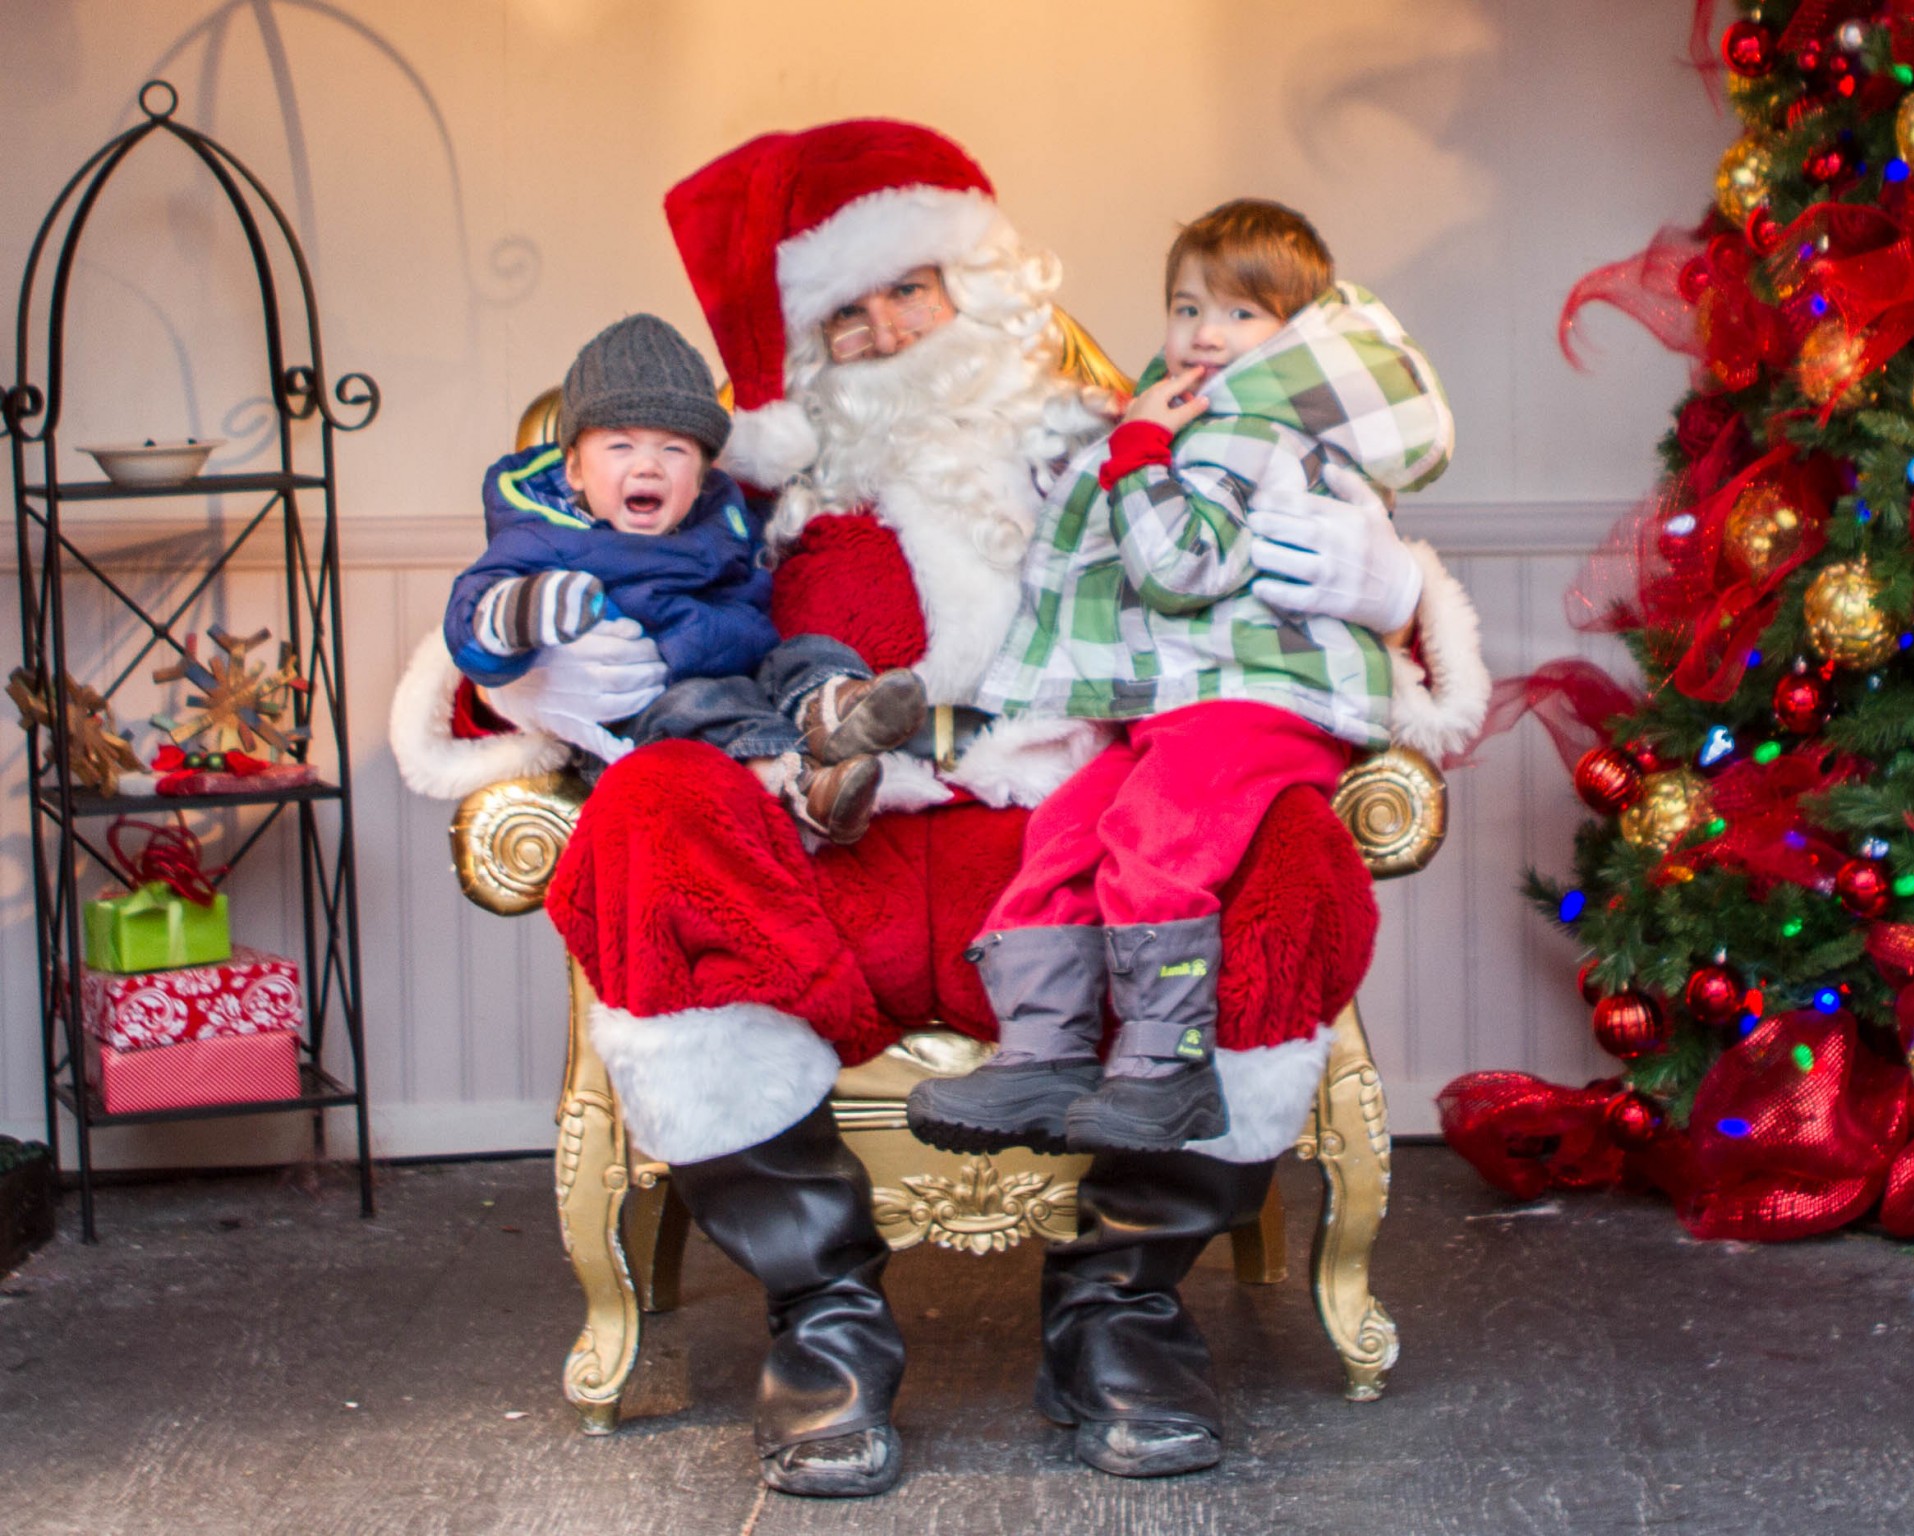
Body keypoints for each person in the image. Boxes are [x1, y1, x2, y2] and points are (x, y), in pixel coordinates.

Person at [390, 119, 1485, 1495]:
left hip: (1067, 848)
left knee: (1288, 851)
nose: (890, 329)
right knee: (651, 817)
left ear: (985, 285)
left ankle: (1122, 1304)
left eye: (914, 285)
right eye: (845, 312)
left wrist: (1387, 591)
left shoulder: (1129, 443)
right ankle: (824, 1315)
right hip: (816, 858)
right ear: (804, 348)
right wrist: (538, 678)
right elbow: (533, 580)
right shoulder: (735, 495)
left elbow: (1334, 598)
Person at [907, 199, 1453, 1157]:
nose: (1206, 334)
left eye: (1242, 314)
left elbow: (1176, 566)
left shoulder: (1262, 425)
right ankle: (1045, 1052)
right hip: (1189, 698)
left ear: (1298, 332)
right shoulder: (1202, 418)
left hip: (1260, 695)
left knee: (1158, 838)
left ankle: (1167, 1071)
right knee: (1068, 832)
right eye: (1187, 308)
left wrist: (1136, 452)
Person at [442, 313, 926, 844]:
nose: (648, 466)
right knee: (703, 709)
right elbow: (472, 615)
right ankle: (799, 783)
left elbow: (774, 539)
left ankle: (839, 706)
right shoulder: (545, 537)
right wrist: (528, 610)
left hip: (738, 661)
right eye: (621, 446)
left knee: (806, 651)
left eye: (673, 450)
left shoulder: (720, 516)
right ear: (575, 469)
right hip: (650, 712)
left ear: (700, 478)